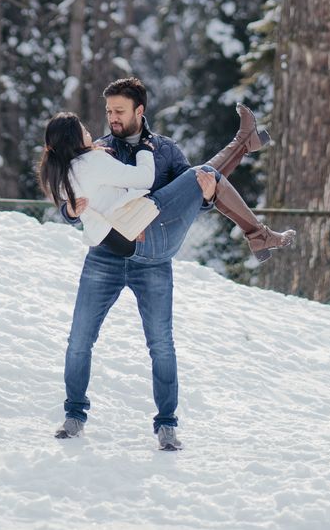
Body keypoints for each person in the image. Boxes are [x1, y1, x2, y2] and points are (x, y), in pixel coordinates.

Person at [38, 76, 295, 451]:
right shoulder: (99, 149)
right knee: (80, 338)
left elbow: (192, 196)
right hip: (107, 255)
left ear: (139, 111)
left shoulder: (165, 150)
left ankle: (167, 425)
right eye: (108, 111)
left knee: (161, 343)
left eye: (119, 111)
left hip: (154, 252)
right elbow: (77, 194)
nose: (111, 118)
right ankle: (74, 415)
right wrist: (68, 210)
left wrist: (206, 197)